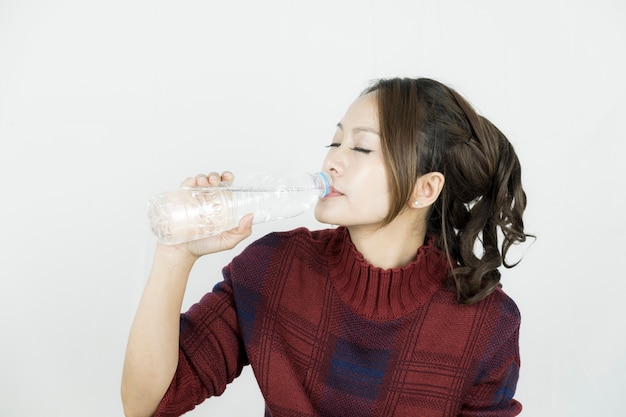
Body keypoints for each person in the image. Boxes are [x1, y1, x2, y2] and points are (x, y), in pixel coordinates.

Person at [121, 77, 531, 417]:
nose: (333, 161)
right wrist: (175, 255)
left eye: (361, 147)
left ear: (424, 188)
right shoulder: (275, 268)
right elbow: (148, 403)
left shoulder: (486, 324)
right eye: (334, 143)